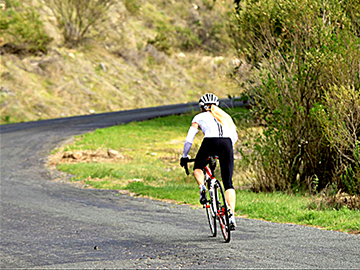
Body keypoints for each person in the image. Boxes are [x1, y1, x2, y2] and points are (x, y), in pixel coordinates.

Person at [180, 93, 238, 230]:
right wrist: (225, 151)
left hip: (209, 142)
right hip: (227, 144)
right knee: (228, 183)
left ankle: (202, 187)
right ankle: (231, 214)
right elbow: (234, 137)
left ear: (202, 107)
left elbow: (189, 139)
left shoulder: (199, 117)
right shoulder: (225, 116)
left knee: (198, 167)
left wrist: (184, 156)